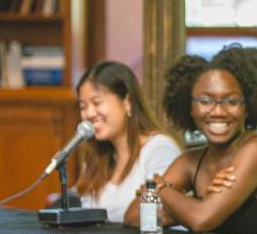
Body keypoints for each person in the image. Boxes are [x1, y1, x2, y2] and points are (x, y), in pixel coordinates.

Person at [124, 44, 257, 234]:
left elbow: (201, 219)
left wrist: (160, 188)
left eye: (231, 101)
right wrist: (194, 203)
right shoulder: (190, 161)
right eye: (205, 101)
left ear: (248, 107)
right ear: (190, 108)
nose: (218, 112)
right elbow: (135, 215)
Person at [75, 61, 180, 222]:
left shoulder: (159, 148)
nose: (89, 114)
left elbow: (160, 211)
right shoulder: (95, 154)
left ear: (127, 101)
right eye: (83, 106)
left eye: (97, 103)